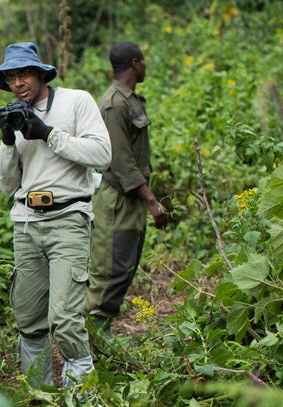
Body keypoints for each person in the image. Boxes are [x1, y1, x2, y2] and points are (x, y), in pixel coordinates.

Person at [0, 42, 112, 387]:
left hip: (68, 219)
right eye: (11, 77)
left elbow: (102, 154)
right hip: (26, 223)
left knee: (64, 319)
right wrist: (7, 140)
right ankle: (38, 403)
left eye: (24, 74)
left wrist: (47, 134)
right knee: (29, 320)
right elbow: (7, 185)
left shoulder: (76, 101)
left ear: (41, 73)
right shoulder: (15, 114)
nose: (18, 83)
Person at [86, 41, 169, 332]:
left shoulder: (130, 100)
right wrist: (150, 199)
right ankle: (92, 335)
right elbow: (119, 159)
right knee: (110, 269)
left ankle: (100, 333)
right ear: (135, 64)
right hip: (117, 199)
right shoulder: (114, 104)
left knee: (125, 266)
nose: (145, 66)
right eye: (143, 61)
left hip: (131, 197)